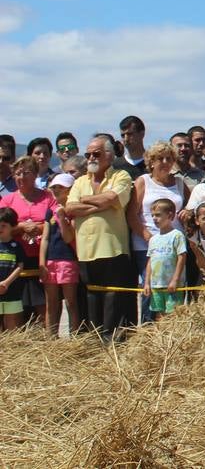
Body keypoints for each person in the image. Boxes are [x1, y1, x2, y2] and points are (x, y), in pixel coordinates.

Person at [65, 135, 135, 340]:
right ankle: (94, 338)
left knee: (113, 295)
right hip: (86, 249)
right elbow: (70, 207)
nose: (91, 158)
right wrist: (99, 203)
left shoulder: (121, 176)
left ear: (109, 155)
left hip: (112, 247)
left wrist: (84, 201)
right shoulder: (79, 181)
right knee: (92, 294)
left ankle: (110, 338)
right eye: (88, 155)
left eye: (96, 154)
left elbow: (113, 198)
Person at [127, 142, 188, 321]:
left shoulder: (179, 182)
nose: (165, 162)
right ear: (151, 162)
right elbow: (132, 214)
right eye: (160, 158)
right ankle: (147, 331)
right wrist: (150, 238)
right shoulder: (143, 181)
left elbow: (189, 206)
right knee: (151, 291)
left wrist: (189, 212)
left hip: (174, 245)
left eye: (169, 158)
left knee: (172, 292)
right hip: (147, 244)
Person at [0, 156, 55, 322]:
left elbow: (55, 221)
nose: (21, 177)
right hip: (15, 260)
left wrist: (38, 228)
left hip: (43, 258)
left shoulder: (48, 197)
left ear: (36, 174)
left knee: (43, 305)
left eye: (26, 173)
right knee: (18, 308)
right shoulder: (8, 200)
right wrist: (21, 227)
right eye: (17, 173)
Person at [39, 172, 79, 335]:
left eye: (60, 187)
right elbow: (45, 238)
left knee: (70, 303)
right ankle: (51, 340)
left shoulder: (73, 211)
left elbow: (69, 237)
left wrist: (62, 218)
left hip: (68, 260)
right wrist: (42, 262)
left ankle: (75, 339)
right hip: (51, 260)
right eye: (53, 187)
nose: (55, 190)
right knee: (51, 303)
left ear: (70, 189)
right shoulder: (50, 211)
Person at [142, 199, 188, 320]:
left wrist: (175, 280)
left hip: (172, 285)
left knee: (174, 315)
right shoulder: (153, 239)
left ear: (170, 215)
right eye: (152, 215)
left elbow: (182, 257)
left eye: (158, 215)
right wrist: (147, 283)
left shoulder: (177, 235)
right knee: (159, 315)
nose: (154, 218)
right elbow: (150, 261)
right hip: (156, 285)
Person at [0, 208, 23, 330]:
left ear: (13, 227)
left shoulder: (16, 246)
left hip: (12, 289)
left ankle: (10, 348)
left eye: (4, 226)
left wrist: (6, 283)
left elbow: (20, 266)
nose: (0, 228)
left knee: (12, 323)